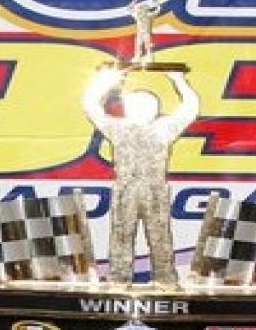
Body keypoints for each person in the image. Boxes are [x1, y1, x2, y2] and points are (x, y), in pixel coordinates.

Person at [82, 68, 199, 286]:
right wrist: (104, 82)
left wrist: (179, 81)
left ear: (156, 109)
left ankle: (165, 280)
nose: (141, 109)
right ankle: (118, 280)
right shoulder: (119, 128)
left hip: (155, 190)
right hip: (125, 189)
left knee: (160, 237)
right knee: (120, 236)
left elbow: (190, 109)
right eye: (135, 105)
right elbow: (91, 106)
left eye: (147, 105)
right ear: (127, 109)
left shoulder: (164, 128)